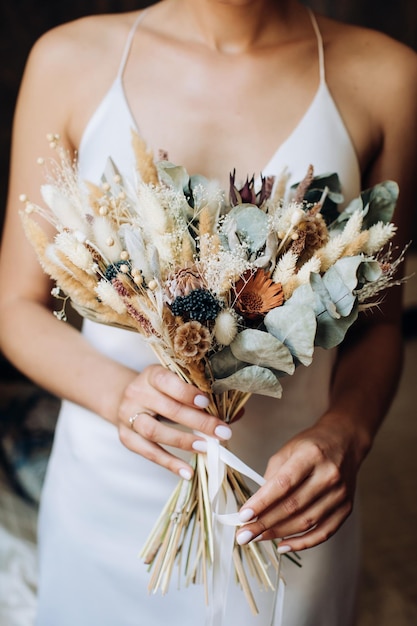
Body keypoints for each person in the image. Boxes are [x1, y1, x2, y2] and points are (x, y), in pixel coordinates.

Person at [0, 1, 416, 624]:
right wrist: (118, 396)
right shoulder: (68, 60)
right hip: (106, 494)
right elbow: (15, 306)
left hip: (283, 511)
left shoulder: (388, 76)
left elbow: (380, 325)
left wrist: (346, 435)